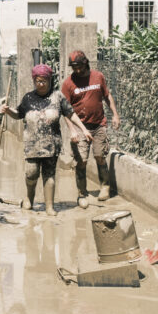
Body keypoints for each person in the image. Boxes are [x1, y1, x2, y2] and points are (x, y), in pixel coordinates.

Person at [0, 64, 91, 216]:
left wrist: (83, 129)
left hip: (51, 145)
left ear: (50, 80)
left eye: (44, 81)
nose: (41, 84)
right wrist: (8, 110)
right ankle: (29, 198)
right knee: (31, 173)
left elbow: (70, 113)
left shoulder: (58, 97)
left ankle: (49, 206)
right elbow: (18, 114)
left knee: (49, 175)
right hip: (32, 145)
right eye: (38, 81)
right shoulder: (28, 98)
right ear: (34, 81)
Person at [61, 50, 121, 207]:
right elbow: (65, 110)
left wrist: (115, 114)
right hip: (80, 126)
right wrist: (72, 130)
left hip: (99, 124)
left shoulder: (98, 76)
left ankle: (105, 186)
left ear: (85, 63)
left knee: (100, 156)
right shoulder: (68, 84)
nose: (77, 70)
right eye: (74, 67)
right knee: (82, 161)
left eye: (79, 66)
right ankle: (82, 193)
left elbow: (107, 96)